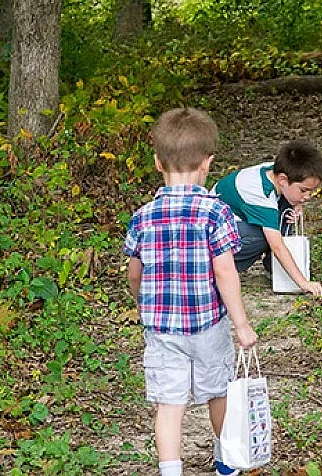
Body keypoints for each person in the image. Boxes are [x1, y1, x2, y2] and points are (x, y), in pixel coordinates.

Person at [124, 108, 258, 476]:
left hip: (162, 330)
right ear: (207, 163)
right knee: (218, 392)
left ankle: (171, 472)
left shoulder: (143, 216)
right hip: (209, 326)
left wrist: (141, 301)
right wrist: (242, 324)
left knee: (169, 404)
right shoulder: (215, 212)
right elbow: (225, 271)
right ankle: (226, 459)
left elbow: (135, 272)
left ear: (157, 162)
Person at [212, 139, 322, 298]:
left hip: (235, 221)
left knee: (282, 215)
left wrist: (296, 203)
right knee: (264, 235)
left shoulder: (276, 172)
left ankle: (274, 268)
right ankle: (218, 269)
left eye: (311, 192)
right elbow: (277, 245)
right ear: (283, 179)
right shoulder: (261, 194)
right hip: (214, 237)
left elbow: (288, 195)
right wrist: (303, 283)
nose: (307, 197)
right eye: (303, 190)